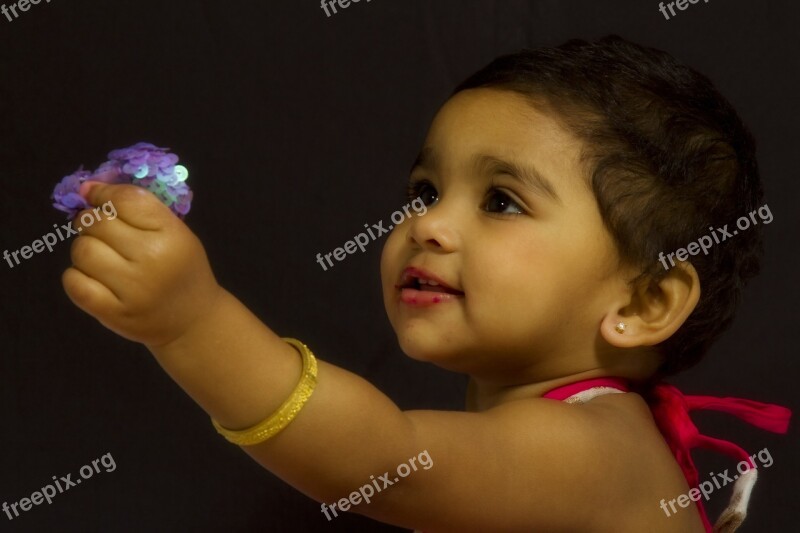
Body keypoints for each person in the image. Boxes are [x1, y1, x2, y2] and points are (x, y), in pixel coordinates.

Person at [62, 36, 790, 532]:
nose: (429, 224)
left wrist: (190, 322)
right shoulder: (562, 431)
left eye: (501, 200)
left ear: (641, 302)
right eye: (424, 190)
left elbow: (382, 460)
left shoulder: (595, 447)